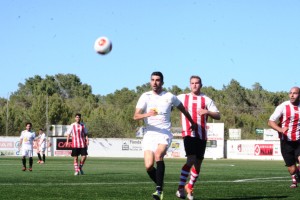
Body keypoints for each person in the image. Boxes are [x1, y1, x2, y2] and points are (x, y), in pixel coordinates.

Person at [133, 71, 196, 200]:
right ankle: (160, 183)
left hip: (164, 133)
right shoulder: (145, 96)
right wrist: (147, 114)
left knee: (158, 155)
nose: (154, 82)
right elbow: (136, 116)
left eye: (157, 80)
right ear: (150, 81)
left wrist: (192, 122)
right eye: (152, 80)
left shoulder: (169, 96)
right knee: (148, 166)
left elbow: (183, 109)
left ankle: (159, 190)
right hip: (149, 133)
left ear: (162, 82)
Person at [175, 75, 221, 199]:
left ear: (201, 85)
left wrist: (208, 112)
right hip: (189, 133)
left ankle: (189, 187)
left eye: (197, 83)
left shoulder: (206, 99)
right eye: (192, 83)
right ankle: (180, 187)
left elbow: (218, 115)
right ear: (190, 85)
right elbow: (169, 102)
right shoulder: (182, 97)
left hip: (202, 135)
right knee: (191, 159)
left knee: (198, 164)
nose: (194, 85)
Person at [268, 86, 300, 188]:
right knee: (292, 168)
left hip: (299, 140)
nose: (292, 95)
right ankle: (295, 176)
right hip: (286, 141)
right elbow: (270, 122)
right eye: (290, 93)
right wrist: (280, 129)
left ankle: (296, 179)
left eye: (295, 93)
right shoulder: (283, 106)